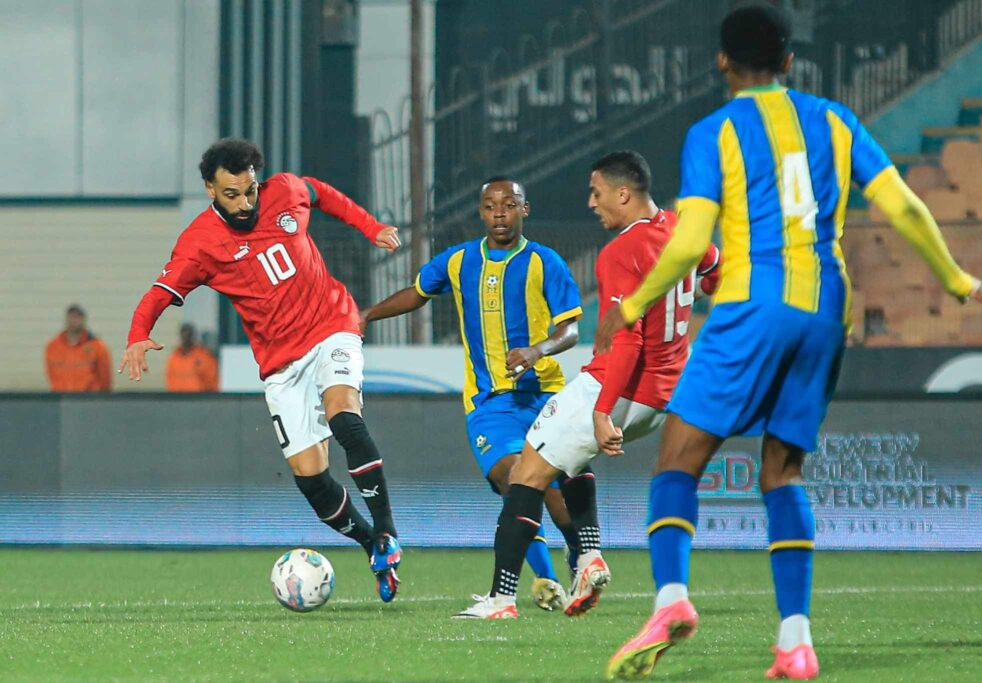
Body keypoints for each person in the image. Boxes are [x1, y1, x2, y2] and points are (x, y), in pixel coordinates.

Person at [598, 6, 982, 680]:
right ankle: (795, 642)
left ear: (722, 62)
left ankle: (670, 600)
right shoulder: (835, 121)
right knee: (782, 471)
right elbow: (901, 203)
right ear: (789, 62)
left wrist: (634, 305)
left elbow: (691, 243)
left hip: (754, 303)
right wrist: (957, 279)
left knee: (677, 460)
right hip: (826, 309)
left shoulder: (714, 131)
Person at [119, 138, 408, 602]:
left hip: (332, 325)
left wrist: (370, 227)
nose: (244, 203)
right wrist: (138, 334)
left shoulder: (284, 191)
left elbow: (320, 192)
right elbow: (159, 293)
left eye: (250, 191)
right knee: (312, 479)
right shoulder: (199, 243)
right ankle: (371, 543)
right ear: (210, 190)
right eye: (231, 194)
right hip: (281, 364)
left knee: (345, 417)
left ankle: (388, 530)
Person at [454, 152, 720, 620]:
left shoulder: (620, 251)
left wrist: (601, 410)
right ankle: (588, 558)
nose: (591, 203)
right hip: (664, 396)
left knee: (527, 475)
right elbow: (715, 269)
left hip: (616, 387)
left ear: (623, 193)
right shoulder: (682, 230)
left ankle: (501, 600)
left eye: (597, 193)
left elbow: (628, 340)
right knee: (569, 460)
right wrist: (699, 292)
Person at [361, 177, 586, 612]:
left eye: (509, 204)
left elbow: (571, 329)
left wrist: (537, 350)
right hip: (489, 404)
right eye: (490, 205)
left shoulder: (545, 262)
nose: (499, 212)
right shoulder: (459, 260)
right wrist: (367, 314)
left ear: (525, 209)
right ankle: (545, 578)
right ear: (481, 213)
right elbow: (418, 293)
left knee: (552, 491)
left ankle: (579, 551)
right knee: (514, 479)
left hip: (544, 396)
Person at [45, 304, 112, 392]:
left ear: (84, 319)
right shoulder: (53, 347)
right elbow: (51, 374)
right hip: (62, 396)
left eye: (77, 317)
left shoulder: (97, 347)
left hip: (88, 397)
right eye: (71, 316)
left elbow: (105, 378)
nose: (74, 320)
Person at [165, 323, 219, 392]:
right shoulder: (174, 357)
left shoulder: (204, 356)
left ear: (193, 337)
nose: (185, 339)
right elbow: (170, 378)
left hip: (198, 397)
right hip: (178, 397)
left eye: (188, 336)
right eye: (183, 336)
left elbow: (212, 380)